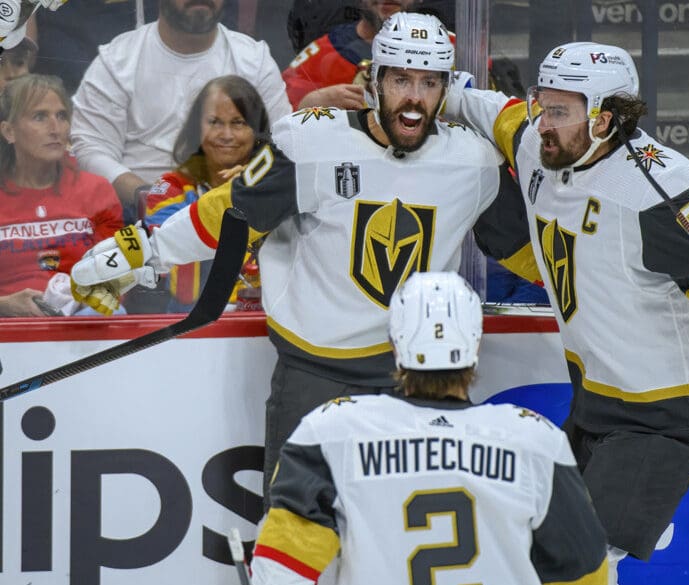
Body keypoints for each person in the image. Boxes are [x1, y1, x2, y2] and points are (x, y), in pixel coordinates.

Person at [69, 12, 536, 502]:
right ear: (374, 80)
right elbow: (230, 211)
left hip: (413, 376)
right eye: (401, 78)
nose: (415, 97)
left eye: (429, 82)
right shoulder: (312, 141)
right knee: (298, 529)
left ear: (445, 91)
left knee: (394, 533)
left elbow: (525, 252)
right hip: (314, 375)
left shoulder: (473, 162)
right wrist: (143, 250)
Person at [442, 42, 689, 585]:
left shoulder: (653, 190)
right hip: (599, 399)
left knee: (581, 559)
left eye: (557, 112)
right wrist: (449, 93)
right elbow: (494, 113)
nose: (540, 123)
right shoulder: (539, 139)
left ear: (603, 120)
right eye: (540, 105)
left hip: (664, 413)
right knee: (545, 553)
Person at [250, 271, 608, 585]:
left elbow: (280, 575)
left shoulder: (332, 434)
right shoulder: (536, 442)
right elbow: (585, 584)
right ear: (476, 344)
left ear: (394, 344)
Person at [69, 0, 292, 208]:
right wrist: (151, 197)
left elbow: (283, 146)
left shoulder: (254, 60)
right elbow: (92, 149)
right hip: (141, 216)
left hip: (235, 211)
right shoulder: (116, 61)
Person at [141, 75, 271, 313]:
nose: (227, 135)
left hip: (270, 321)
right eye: (215, 122)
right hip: (194, 326)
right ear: (196, 128)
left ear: (257, 130)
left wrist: (257, 187)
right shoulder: (172, 187)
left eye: (239, 122)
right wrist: (233, 195)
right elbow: (176, 264)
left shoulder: (276, 184)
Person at [0, 74, 122, 317]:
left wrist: (84, 300)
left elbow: (119, 274)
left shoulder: (97, 190)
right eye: (40, 117)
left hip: (81, 320)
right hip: (7, 328)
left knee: (105, 315)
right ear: (9, 131)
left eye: (62, 116)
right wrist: (5, 305)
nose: (55, 129)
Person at [282, 0, 415, 110]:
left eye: (429, 82)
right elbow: (276, 117)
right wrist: (309, 104)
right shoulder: (323, 55)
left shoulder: (435, 56)